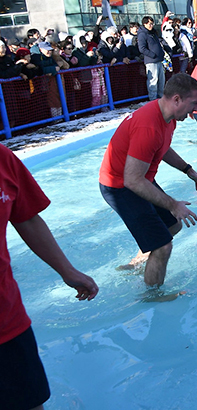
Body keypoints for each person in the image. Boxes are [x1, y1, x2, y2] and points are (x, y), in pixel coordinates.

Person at [0, 144, 98, 410]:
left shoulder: (2, 158)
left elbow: (27, 217)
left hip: (6, 318)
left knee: (29, 403)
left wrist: (67, 270)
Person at [99, 73, 197, 286]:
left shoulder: (166, 117)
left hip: (138, 179)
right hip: (121, 187)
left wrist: (188, 170)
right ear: (177, 99)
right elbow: (132, 180)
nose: (195, 110)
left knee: (173, 225)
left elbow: (163, 147)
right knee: (163, 246)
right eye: (193, 103)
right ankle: (152, 297)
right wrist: (173, 204)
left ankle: (138, 262)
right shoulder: (148, 126)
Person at [137, 16, 171, 101]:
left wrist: (163, 53)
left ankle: (161, 99)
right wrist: (152, 55)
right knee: (153, 82)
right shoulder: (142, 34)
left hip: (159, 60)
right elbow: (142, 48)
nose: (151, 25)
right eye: (150, 24)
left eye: (152, 23)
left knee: (161, 81)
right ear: (145, 24)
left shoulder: (153, 33)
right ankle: (153, 100)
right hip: (151, 61)